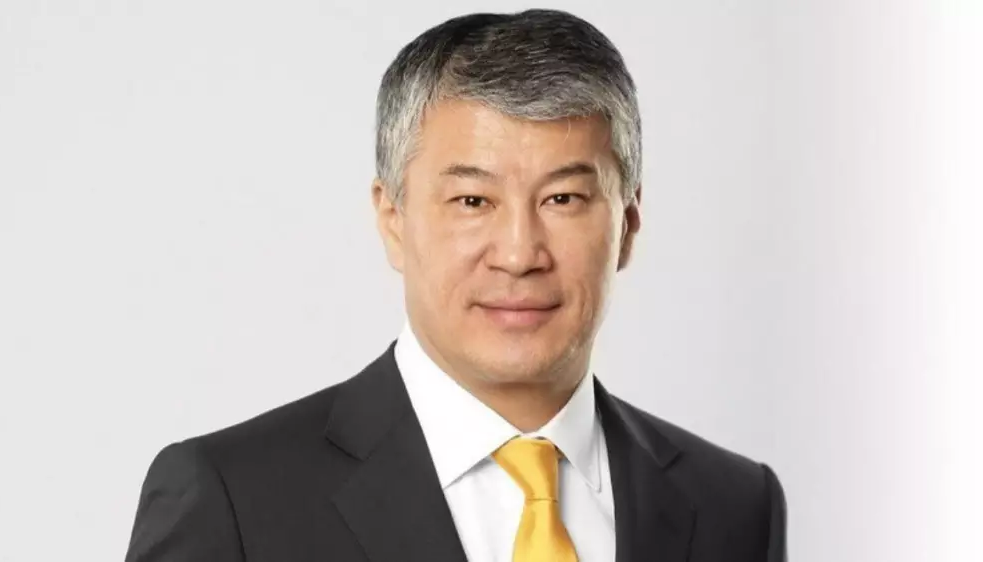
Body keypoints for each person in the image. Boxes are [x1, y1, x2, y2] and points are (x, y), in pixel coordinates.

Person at [124, 9, 787, 562]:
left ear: (629, 224)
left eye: (562, 199)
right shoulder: (235, 501)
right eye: (473, 201)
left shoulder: (734, 506)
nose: (519, 254)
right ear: (393, 219)